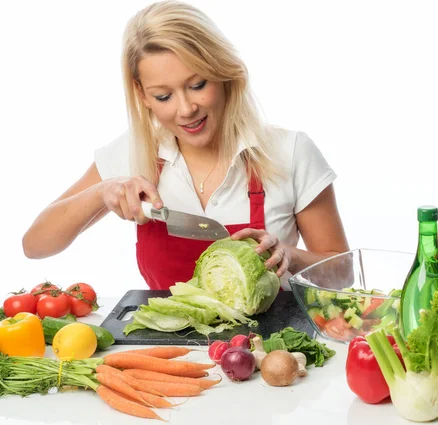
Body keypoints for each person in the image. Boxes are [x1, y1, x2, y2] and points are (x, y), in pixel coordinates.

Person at [21, 0, 349, 291]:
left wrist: (290, 255)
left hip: (272, 348)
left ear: (222, 73)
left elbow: (342, 273)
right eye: (163, 96)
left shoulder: (289, 152)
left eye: (197, 85)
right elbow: (34, 245)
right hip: (169, 350)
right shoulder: (135, 153)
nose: (185, 109)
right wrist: (103, 192)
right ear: (142, 94)